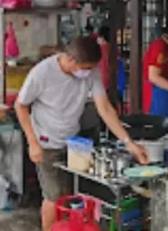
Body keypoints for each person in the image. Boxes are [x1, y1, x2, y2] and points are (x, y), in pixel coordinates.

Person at [15, 36, 149, 231]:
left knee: (75, 193)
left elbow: (105, 108)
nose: (88, 73)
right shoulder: (42, 73)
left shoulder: (91, 72)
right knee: (53, 197)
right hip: (46, 142)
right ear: (70, 59)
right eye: (85, 68)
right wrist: (32, 142)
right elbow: (20, 105)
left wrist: (129, 143)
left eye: (91, 68)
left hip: (75, 142)